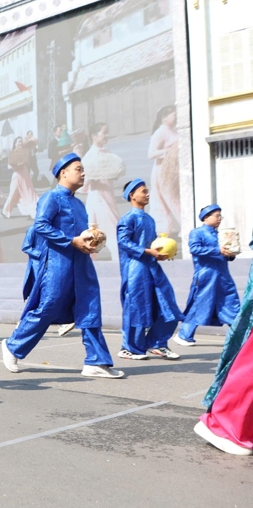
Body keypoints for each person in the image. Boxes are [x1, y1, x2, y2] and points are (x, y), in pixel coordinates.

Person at [1, 153, 123, 379]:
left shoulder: (78, 203)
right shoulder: (51, 198)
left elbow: (81, 234)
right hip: (58, 262)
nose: (83, 173)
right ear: (63, 173)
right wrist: (70, 241)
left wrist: (91, 241)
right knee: (49, 306)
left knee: (90, 307)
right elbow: (40, 225)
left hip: (81, 261)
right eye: (78, 169)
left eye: (83, 169)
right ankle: (12, 346)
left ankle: (96, 362)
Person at [194, 231, 253, 456]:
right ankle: (226, 423)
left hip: (221, 274)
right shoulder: (198, 233)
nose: (217, 218)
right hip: (206, 273)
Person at [116, 179, 182, 360]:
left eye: (147, 191)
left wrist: (162, 253)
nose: (148, 194)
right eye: (143, 191)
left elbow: (154, 243)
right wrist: (146, 251)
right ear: (132, 195)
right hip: (135, 269)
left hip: (152, 267)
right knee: (136, 308)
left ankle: (157, 343)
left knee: (168, 305)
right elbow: (124, 242)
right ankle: (129, 347)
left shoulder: (149, 219)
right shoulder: (128, 218)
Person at [174, 205, 240, 346]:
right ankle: (184, 335)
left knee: (231, 303)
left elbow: (225, 254)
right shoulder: (197, 233)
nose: (219, 219)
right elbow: (195, 248)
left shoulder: (220, 234)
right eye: (217, 216)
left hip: (223, 276)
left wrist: (231, 253)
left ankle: (241, 336)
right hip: (206, 276)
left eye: (220, 216)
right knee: (200, 305)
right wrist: (218, 250)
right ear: (206, 217)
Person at [80, 123, 123, 259]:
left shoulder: (108, 153)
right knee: (111, 233)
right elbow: (83, 186)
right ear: (94, 136)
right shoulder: (90, 157)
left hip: (107, 195)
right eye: (104, 132)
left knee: (93, 236)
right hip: (98, 198)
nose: (107, 135)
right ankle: (119, 263)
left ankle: (88, 266)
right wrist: (92, 179)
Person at [147, 106, 181, 237]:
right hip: (162, 171)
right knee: (172, 199)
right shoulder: (160, 133)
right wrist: (170, 151)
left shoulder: (173, 131)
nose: (176, 117)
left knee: (174, 198)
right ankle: (167, 228)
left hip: (172, 170)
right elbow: (151, 153)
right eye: (174, 115)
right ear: (164, 118)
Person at [2, 136, 38, 220]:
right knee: (13, 194)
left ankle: (33, 211)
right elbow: (9, 166)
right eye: (18, 141)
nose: (20, 143)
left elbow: (34, 143)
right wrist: (17, 165)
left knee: (30, 193)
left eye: (21, 141)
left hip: (25, 174)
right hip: (17, 175)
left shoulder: (25, 152)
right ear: (15, 143)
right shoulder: (13, 153)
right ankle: (5, 211)